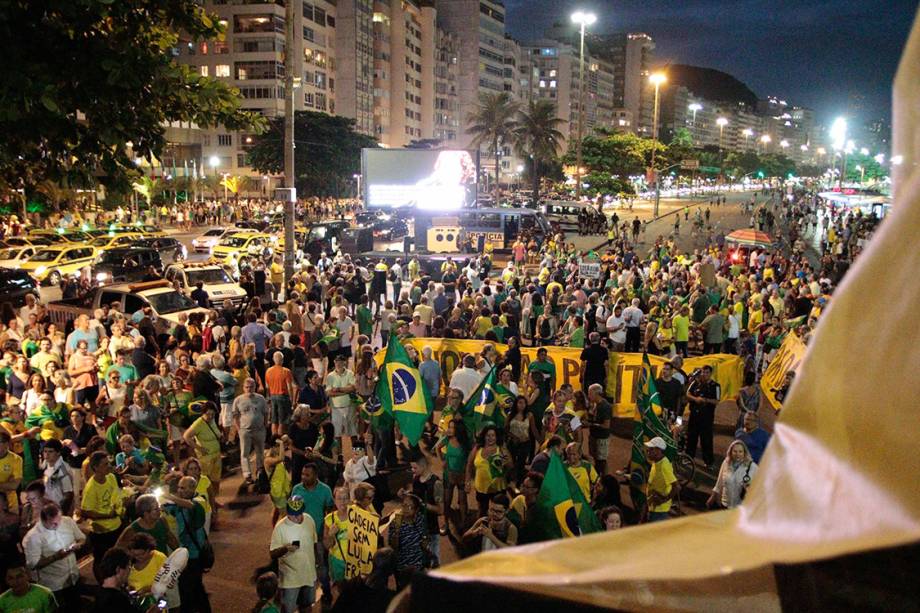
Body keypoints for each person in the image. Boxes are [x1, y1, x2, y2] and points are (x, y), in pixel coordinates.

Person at [22, 501, 85, 609]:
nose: (58, 525)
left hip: (73, 577)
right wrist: (56, 557)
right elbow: (33, 565)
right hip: (54, 585)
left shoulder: (67, 521)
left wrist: (78, 545)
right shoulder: (33, 536)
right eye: (53, 523)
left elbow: (82, 538)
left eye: (59, 520)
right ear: (43, 520)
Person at [162, 476, 211, 613]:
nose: (180, 490)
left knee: (187, 590)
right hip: (185, 554)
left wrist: (169, 496)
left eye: (183, 488)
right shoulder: (181, 503)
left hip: (194, 555)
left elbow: (190, 506)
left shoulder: (199, 501)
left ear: (192, 488)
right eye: (179, 487)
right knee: (197, 589)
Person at [269, 495, 317, 613]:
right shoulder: (280, 527)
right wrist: (286, 549)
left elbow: (314, 543)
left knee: (307, 605)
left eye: (299, 514)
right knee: (288, 609)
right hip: (290, 580)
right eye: (293, 514)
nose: (296, 517)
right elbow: (272, 553)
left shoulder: (309, 520)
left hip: (308, 575)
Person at [81, 450, 124, 583]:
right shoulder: (91, 488)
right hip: (102, 531)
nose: (109, 466)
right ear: (95, 468)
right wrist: (107, 515)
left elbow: (116, 495)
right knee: (101, 560)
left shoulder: (111, 477)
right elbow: (86, 512)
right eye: (105, 464)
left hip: (116, 526)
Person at [387, 493, 430, 590]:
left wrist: (425, 542)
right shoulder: (395, 522)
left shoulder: (420, 519)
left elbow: (426, 537)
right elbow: (393, 546)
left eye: (409, 506)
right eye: (404, 505)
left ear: (416, 510)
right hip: (402, 567)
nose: (405, 509)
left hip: (418, 565)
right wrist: (397, 531)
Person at [407, 452, 443, 567]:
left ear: (423, 466)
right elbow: (415, 496)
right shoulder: (416, 478)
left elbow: (440, 510)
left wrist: (423, 505)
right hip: (418, 526)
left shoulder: (436, 483)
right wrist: (407, 495)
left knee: (434, 562)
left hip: (431, 529)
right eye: (411, 467)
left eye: (415, 467)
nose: (413, 470)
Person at [465, 425, 510, 517]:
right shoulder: (477, 448)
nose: (490, 438)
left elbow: (510, 465)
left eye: (493, 435)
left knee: (498, 512)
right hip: (481, 487)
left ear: (497, 437)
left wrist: (504, 461)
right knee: (482, 511)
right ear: (484, 437)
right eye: (488, 435)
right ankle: (482, 529)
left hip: (498, 487)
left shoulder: (501, 448)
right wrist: (467, 482)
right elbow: (469, 465)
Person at [116, 494, 180, 555]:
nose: (159, 510)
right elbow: (118, 551)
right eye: (155, 509)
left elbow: (171, 540)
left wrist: (180, 553)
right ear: (146, 513)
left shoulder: (162, 521)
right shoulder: (132, 530)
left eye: (159, 507)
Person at [233, 378, 269, 484]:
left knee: (260, 451)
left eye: (251, 387)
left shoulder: (261, 398)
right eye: (247, 387)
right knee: (245, 452)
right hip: (245, 430)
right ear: (243, 388)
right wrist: (239, 428)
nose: (249, 389)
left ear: (255, 387)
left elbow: (266, 412)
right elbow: (235, 415)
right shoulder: (238, 400)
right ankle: (247, 474)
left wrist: (265, 425)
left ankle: (260, 471)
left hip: (259, 430)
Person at [685, 365, 721, 468]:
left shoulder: (716, 386)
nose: (704, 374)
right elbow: (688, 393)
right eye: (703, 372)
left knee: (706, 440)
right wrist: (695, 399)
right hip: (694, 416)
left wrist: (705, 400)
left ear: (710, 373)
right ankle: (689, 458)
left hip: (707, 418)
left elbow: (717, 401)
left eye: (706, 372)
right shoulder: (695, 383)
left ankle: (708, 462)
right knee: (691, 437)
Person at [708, 439, 758, 509]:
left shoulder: (753, 467)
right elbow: (719, 483)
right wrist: (712, 497)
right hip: (725, 505)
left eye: (740, 452)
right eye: (735, 451)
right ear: (730, 452)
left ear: (744, 453)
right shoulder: (726, 463)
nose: (737, 454)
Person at [644, 436, 679, 522]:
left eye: (651, 449)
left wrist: (664, 500)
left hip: (660, 512)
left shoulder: (664, 465)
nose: (647, 451)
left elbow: (676, 486)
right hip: (653, 508)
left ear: (658, 451)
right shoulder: (656, 462)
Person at [324, 355, 357, 442]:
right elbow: (329, 393)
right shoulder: (330, 376)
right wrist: (346, 391)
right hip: (336, 408)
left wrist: (338, 389)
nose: (338, 364)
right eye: (336, 362)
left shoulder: (350, 373)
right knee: (337, 434)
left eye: (340, 362)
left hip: (349, 406)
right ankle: (340, 455)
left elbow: (353, 388)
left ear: (344, 363)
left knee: (353, 433)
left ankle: (357, 454)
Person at [265, 352, 294, 438]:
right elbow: (290, 388)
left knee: (274, 420)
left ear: (273, 360)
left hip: (272, 396)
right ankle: (280, 442)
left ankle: (273, 440)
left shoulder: (268, 371)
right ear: (282, 360)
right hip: (283, 397)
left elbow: (267, 387)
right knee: (282, 421)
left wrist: (269, 398)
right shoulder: (286, 371)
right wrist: (292, 400)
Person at [585, 383, 611, 477]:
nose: (588, 396)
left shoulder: (605, 406)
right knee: (595, 459)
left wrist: (591, 424)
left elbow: (606, 425)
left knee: (601, 461)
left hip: (601, 438)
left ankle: (602, 480)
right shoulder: (595, 404)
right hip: (594, 436)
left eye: (590, 393)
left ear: (597, 394)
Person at [0, 430, 23, 513]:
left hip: (10, 504)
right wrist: (6, 483)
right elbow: (10, 484)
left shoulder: (16, 459)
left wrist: (10, 484)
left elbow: (14, 485)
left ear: (6, 444)